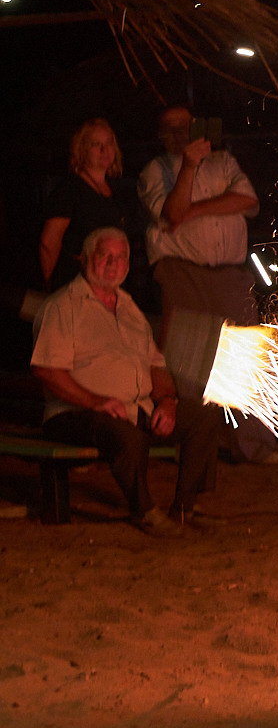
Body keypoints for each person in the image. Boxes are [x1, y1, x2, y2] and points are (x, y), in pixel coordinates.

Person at [31, 228, 218, 536]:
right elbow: (47, 370)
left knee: (204, 415)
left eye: (120, 257)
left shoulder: (129, 308)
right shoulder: (64, 305)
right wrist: (96, 401)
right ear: (87, 259)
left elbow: (156, 364)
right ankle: (144, 511)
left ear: (129, 265)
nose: (112, 263)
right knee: (122, 433)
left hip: (134, 408)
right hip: (75, 413)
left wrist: (167, 401)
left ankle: (185, 507)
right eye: (105, 255)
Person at [135, 106, 263, 429]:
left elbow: (248, 201)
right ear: (161, 134)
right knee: (184, 356)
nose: (180, 131)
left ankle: (248, 444)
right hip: (182, 271)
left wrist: (193, 212)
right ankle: (187, 433)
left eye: (186, 124)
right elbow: (172, 214)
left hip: (231, 273)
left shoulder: (223, 161)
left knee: (244, 352)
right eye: (172, 127)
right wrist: (189, 167)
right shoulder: (154, 171)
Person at [38, 119, 157, 312]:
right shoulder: (69, 190)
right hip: (79, 285)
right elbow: (49, 242)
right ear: (82, 150)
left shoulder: (116, 190)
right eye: (96, 145)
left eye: (109, 143)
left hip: (112, 284)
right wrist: (47, 288)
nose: (105, 150)